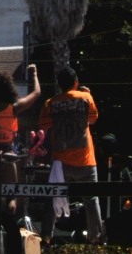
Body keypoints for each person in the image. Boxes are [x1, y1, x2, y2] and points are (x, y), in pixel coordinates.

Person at [39, 66, 102, 242]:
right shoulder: (86, 98)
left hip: (61, 161)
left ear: (59, 85)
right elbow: (93, 119)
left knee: (53, 197)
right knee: (91, 199)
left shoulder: (51, 103)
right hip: (85, 160)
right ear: (76, 83)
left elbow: (43, 125)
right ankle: (95, 237)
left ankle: (46, 236)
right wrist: (88, 94)